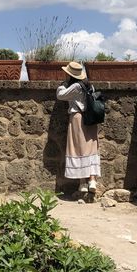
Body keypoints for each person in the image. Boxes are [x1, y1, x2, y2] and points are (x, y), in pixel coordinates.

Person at [56, 61, 101, 193]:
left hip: (78, 118)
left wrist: (64, 85)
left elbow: (60, 95)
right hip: (91, 119)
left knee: (78, 148)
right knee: (91, 148)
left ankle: (82, 183)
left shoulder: (76, 86)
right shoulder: (89, 86)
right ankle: (92, 180)